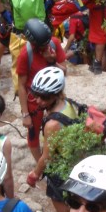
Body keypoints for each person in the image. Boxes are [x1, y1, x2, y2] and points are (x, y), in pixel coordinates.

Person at [25, 66, 79, 212]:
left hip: (60, 171)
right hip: (73, 164)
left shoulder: (52, 125)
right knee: (74, 210)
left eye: (44, 97)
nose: (38, 101)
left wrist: (34, 174)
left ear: (55, 94)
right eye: (36, 95)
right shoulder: (68, 105)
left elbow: (46, 156)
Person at [16, 18, 66, 163]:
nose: (46, 47)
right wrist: (25, 114)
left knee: (57, 127)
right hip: (35, 100)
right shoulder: (26, 54)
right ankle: (42, 164)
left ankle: (56, 156)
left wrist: (52, 61)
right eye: (42, 45)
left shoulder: (54, 44)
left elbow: (64, 72)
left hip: (53, 97)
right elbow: (21, 85)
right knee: (33, 133)